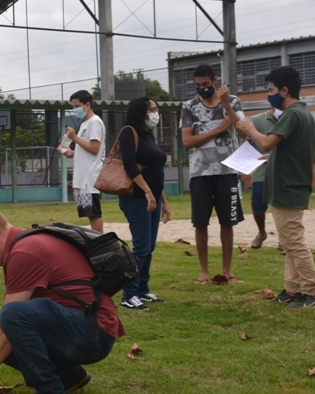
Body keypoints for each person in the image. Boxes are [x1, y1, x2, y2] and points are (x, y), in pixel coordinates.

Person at [0, 204, 125, 394]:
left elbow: (11, 317)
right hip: (84, 327)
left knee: (13, 315)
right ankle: (70, 376)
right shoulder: (25, 243)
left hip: (94, 334)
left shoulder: (24, 252)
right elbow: (6, 329)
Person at [234, 66, 315, 308]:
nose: (269, 94)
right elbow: (291, 150)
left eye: (270, 90)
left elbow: (267, 142)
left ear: (284, 90)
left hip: (288, 187)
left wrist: (249, 128)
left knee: (295, 242)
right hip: (289, 185)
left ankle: (310, 290)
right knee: (289, 242)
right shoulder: (306, 114)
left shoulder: (292, 114)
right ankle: (292, 289)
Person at [180, 64, 245, 284]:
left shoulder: (233, 102)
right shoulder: (189, 107)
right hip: (200, 173)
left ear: (215, 80)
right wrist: (218, 129)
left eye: (206, 85)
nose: (202, 89)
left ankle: (228, 270)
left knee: (228, 221)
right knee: (200, 223)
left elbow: (242, 129)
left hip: (228, 171)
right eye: (198, 85)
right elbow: (187, 142)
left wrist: (225, 103)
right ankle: (204, 271)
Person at [117, 97, 171, 310]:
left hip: (153, 199)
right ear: (142, 111)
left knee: (149, 246)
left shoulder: (148, 135)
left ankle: (142, 289)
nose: (156, 113)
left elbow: (156, 172)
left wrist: (163, 200)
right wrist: (147, 191)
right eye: (153, 109)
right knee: (141, 246)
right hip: (136, 199)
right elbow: (130, 165)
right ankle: (129, 295)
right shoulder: (129, 132)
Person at [62, 90, 105, 233]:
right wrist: (73, 152)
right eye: (73, 107)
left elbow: (94, 148)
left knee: (94, 213)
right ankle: (96, 239)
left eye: (77, 106)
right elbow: (87, 149)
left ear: (87, 104)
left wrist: (74, 137)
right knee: (89, 213)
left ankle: (100, 242)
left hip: (90, 177)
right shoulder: (85, 123)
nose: (75, 110)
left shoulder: (94, 122)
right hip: (82, 177)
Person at [246, 105, 281, 249]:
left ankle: (283, 238)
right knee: (257, 206)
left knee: (281, 207)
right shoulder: (257, 120)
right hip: (262, 172)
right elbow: (245, 138)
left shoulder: (290, 119)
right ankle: (261, 233)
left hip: (283, 172)